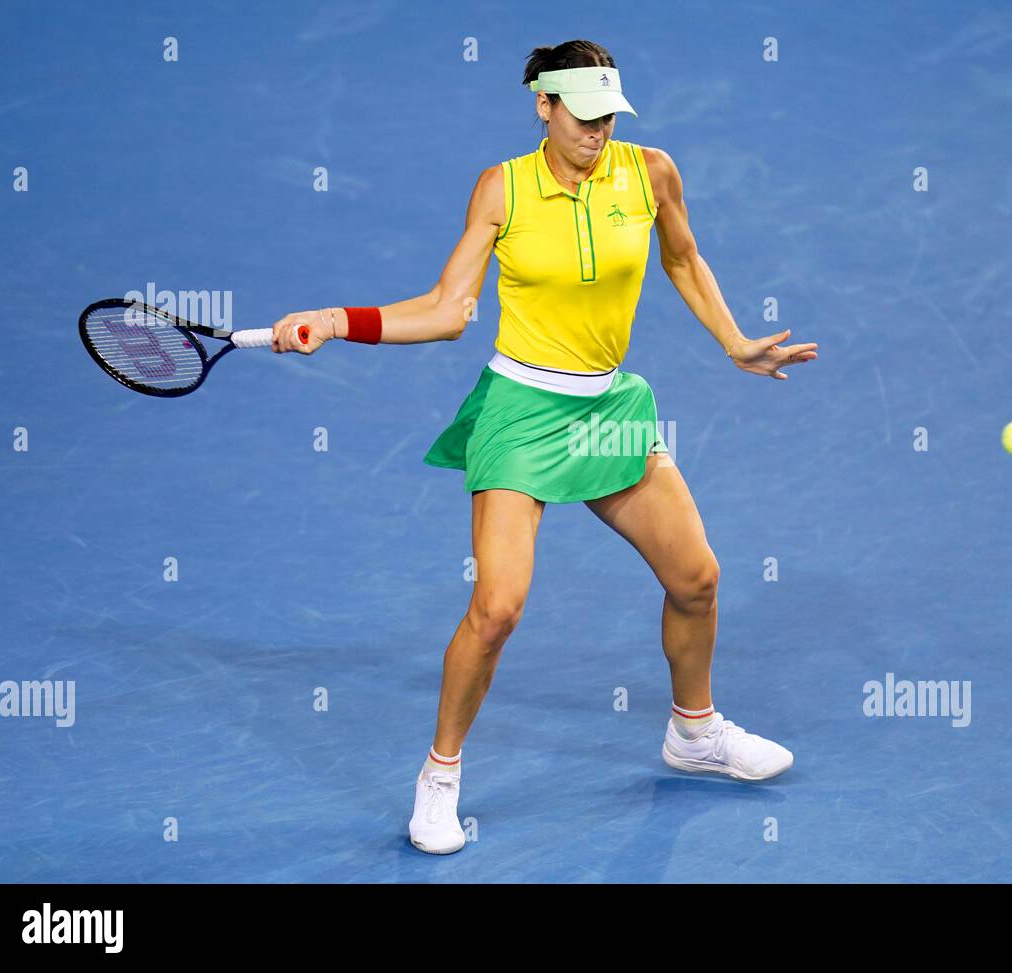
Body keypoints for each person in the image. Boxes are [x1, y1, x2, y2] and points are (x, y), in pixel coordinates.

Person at [269, 39, 818, 855]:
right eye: (584, 116)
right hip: (521, 411)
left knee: (697, 578)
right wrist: (337, 321)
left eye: (609, 116)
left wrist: (734, 341)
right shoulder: (504, 187)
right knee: (496, 609)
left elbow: (683, 256)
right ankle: (439, 777)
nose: (598, 131)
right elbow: (449, 308)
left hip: (607, 406)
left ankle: (693, 732)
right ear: (544, 107)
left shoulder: (650, 171)